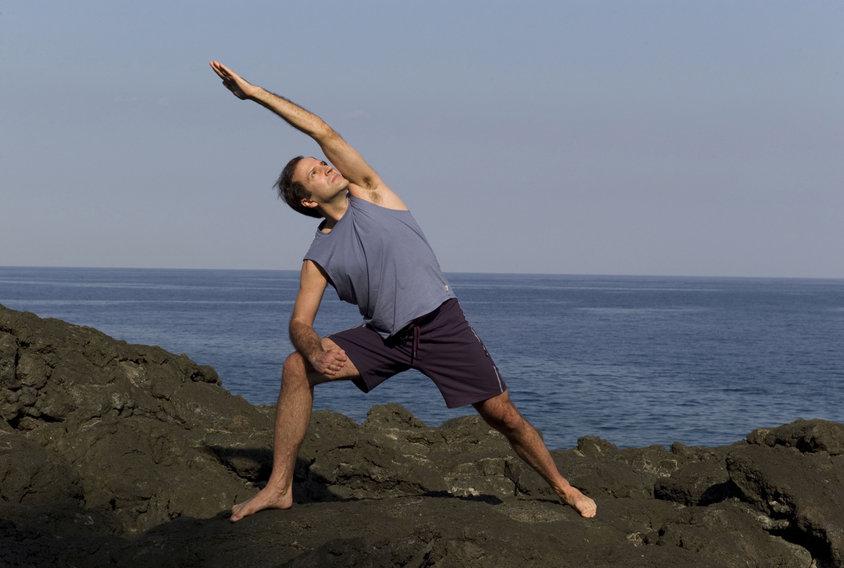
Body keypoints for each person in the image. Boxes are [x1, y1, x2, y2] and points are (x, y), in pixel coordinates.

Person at [208, 60, 597, 522]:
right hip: (384, 337)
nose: (326, 167)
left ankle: (563, 488)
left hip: (440, 324)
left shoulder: (372, 194)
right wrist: (312, 349)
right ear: (308, 200)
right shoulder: (317, 257)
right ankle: (279, 487)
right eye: (315, 172)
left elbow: (323, 130)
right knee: (295, 367)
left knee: (503, 415)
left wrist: (255, 94)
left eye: (322, 163)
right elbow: (299, 322)